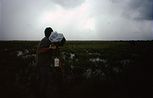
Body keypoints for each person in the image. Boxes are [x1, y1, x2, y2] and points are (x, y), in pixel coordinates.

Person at [36, 27, 61, 98]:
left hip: (47, 64)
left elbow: (55, 54)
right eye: (52, 33)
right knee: (44, 80)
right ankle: (42, 94)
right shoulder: (45, 40)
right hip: (42, 64)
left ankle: (46, 92)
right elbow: (40, 51)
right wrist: (50, 48)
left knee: (47, 79)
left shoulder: (50, 40)